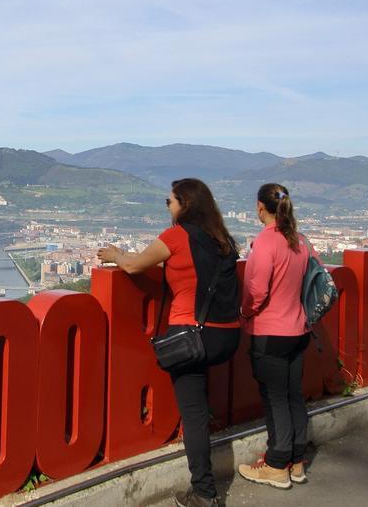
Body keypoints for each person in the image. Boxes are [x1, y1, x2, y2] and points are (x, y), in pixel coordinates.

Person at [97, 178, 240, 507]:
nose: (168, 206)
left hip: (192, 336)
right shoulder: (222, 240)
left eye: (169, 201)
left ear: (184, 204)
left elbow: (134, 265)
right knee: (201, 404)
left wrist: (115, 254)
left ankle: (204, 493)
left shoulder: (177, 235)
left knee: (193, 414)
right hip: (226, 335)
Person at [237, 183, 313, 489]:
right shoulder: (300, 239)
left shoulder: (266, 241)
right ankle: (296, 460)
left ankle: (276, 465)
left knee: (275, 398)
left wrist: (244, 313)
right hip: (300, 330)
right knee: (293, 394)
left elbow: (257, 290)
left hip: (271, 332)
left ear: (259, 207)